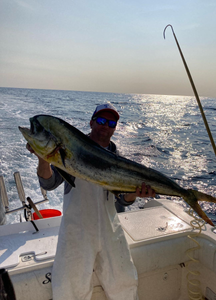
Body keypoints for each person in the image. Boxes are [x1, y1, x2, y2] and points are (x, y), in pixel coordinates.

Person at [27, 103, 155, 300]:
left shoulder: (118, 158)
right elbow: (49, 183)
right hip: (76, 230)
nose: (105, 126)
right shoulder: (70, 147)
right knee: (70, 289)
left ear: (115, 128)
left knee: (124, 282)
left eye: (111, 122)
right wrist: (43, 157)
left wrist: (135, 194)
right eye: (101, 120)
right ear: (91, 122)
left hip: (109, 229)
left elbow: (122, 199)